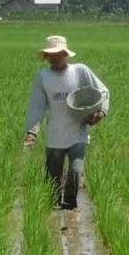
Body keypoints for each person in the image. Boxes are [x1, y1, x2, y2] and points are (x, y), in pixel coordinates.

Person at [24, 35, 110, 210]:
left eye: (59, 54)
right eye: (51, 55)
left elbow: (103, 92)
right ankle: (52, 208)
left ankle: (70, 206)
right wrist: (32, 132)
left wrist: (101, 112)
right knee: (52, 179)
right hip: (55, 135)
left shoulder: (80, 71)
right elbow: (37, 106)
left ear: (65, 54)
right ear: (47, 57)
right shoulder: (43, 77)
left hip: (79, 132)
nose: (55, 58)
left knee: (76, 170)